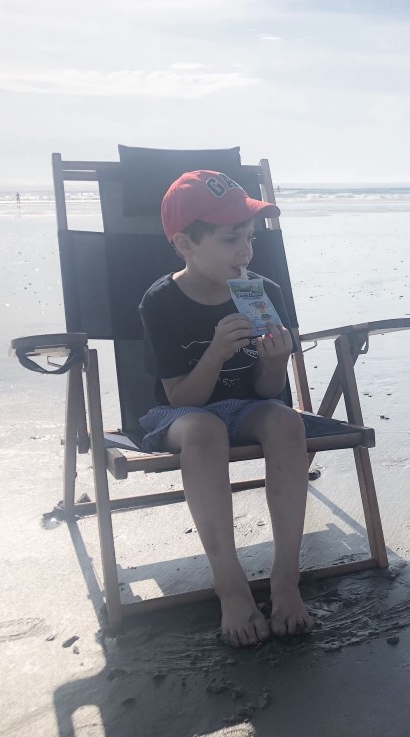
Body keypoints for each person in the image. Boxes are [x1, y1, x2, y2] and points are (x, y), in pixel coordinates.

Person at [138, 170, 314, 645]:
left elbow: (266, 392)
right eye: (231, 238)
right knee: (203, 431)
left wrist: (275, 364)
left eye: (250, 237)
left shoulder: (264, 293)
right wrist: (215, 352)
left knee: (285, 421)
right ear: (184, 245)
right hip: (180, 415)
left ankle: (285, 579)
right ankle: (231, 585)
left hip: (246, 405)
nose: (246, 251)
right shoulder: (162, 302)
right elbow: (180, 398)